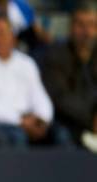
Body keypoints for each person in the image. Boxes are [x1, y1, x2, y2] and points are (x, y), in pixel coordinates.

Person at [0, 15, 53, 147]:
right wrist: (20, 121)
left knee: (60, 134)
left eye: (2, 33)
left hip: (29, 119)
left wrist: (42, 119)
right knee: (17, 137)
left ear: (13, 36)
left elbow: (39, 95)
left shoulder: (26, 62)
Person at [40, 3, 97, 146]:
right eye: (81, 25)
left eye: (92, 25)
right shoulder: (55, 55)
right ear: (70, 27)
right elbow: (60, 98)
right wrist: (91, 120)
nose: (87, 32)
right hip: (67, 123)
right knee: (62, 136)